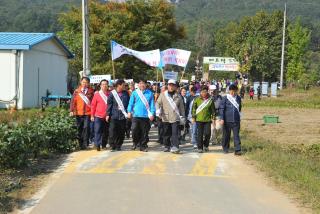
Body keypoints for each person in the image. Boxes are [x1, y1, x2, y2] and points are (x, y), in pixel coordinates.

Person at [156, 79, 185, 154]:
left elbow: (182, 108)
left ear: (175, 86)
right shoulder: (163, 94)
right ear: (167, 86)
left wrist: (183, 117)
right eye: (169, 85)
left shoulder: (179, 96)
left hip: (175, 117)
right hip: (165, 117)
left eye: (173, 85)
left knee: (175, 133)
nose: (171, 87)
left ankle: (175, 146)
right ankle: (167, 145)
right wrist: (157, 110)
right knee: (166, 133)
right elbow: (158, 103)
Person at [127, 80, 156, 152]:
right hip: (136, 115)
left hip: (146, 116)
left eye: (143, 83)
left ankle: (143, 146)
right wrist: (129, 111)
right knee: (134, 130)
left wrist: (152, 113)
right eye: (140, 83)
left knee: (144, 132)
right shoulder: (134, 93)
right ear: (138, 85)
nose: (142, 85)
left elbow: (152, 104)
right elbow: (130, 103)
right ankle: (135, 142)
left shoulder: (150, 93)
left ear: (146, 84)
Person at [70, 77, 94, 150]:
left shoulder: (91, 91)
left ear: (88, 83)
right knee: (79, 128)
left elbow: (93, 103)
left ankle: (85, 143)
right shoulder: (77, 91)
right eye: (83, 82)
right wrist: (71, 110)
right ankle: (80, 144)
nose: (85, 84)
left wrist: (93, 113)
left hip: (87, 113)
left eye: (86, 82)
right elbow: (73, 101)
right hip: (78, 112)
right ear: (81, 82)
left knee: (86, 127)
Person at [107, 79, 130, 152]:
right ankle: (112, 145)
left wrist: (129, 112)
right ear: (119, 85)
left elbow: (128, 104)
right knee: (112, 131)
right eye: (123, 85)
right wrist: (107, 114)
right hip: (114, 115)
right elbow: (109, 105)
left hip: (123, 116)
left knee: (121, 132)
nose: (124, 86)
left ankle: (118, 145)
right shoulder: (112, 94)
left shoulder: (126, 93)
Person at [219, 84, 242, 155]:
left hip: (236, 120)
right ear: (229, 91)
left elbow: (239, 108)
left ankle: (237, 150)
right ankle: (225, 148)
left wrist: (239, 116)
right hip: (226, 120)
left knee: (236, 135)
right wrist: (222, 118)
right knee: (226, 135)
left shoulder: (238, 98)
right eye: (232, 91)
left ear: (236, 91)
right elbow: (222, 109)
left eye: (235, 91)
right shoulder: (225, 98)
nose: (233, 93)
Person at [192, 85, 216, 153]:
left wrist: (213, 118)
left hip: (207, 120)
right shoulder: (197, 99)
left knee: (208, 133)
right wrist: (193, 117)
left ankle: (206, 145)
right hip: (199, 119)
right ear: (200, 92)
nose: (204, 93)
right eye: (202, 92)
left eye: (205, 92)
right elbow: (194, 108)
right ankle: (200, 148)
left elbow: (213, 110)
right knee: (200, 134)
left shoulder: (210, 100)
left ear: (207, 91)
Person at [91, 79, 110, 151]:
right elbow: (93, 105)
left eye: (106, 84)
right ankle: (97, 144)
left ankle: (104, 144)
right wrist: (92, 115)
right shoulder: (97, 94)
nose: (104, 86)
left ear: (108, 85)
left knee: (105, 131)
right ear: (100, 85)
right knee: (97, 130)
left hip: (107, 116)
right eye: (103, 84)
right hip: (98, 116)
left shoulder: (110, 94)